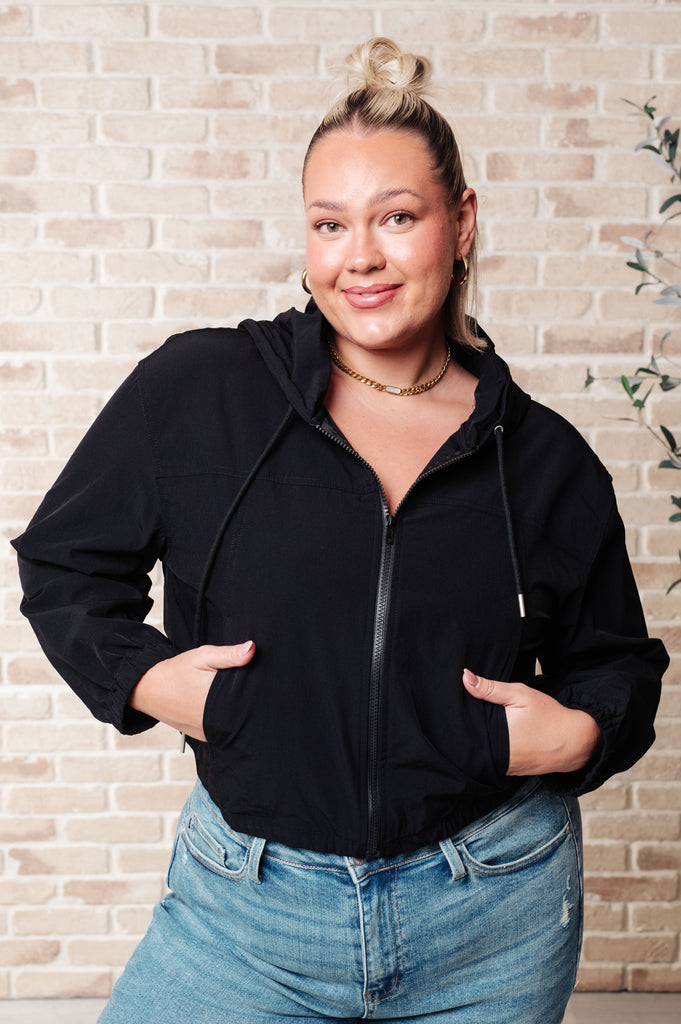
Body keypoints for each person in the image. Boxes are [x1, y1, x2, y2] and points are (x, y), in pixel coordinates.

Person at [13, 37, 667, 1024]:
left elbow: (616, 662)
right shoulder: (202, 391)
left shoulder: (544, 460)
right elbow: (65, 564)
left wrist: (581, 733)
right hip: (245, 911)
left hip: (491, 911)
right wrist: (147, 679)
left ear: (461, 222)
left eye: (396, 217)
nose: (359, 255)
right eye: (330, 223)